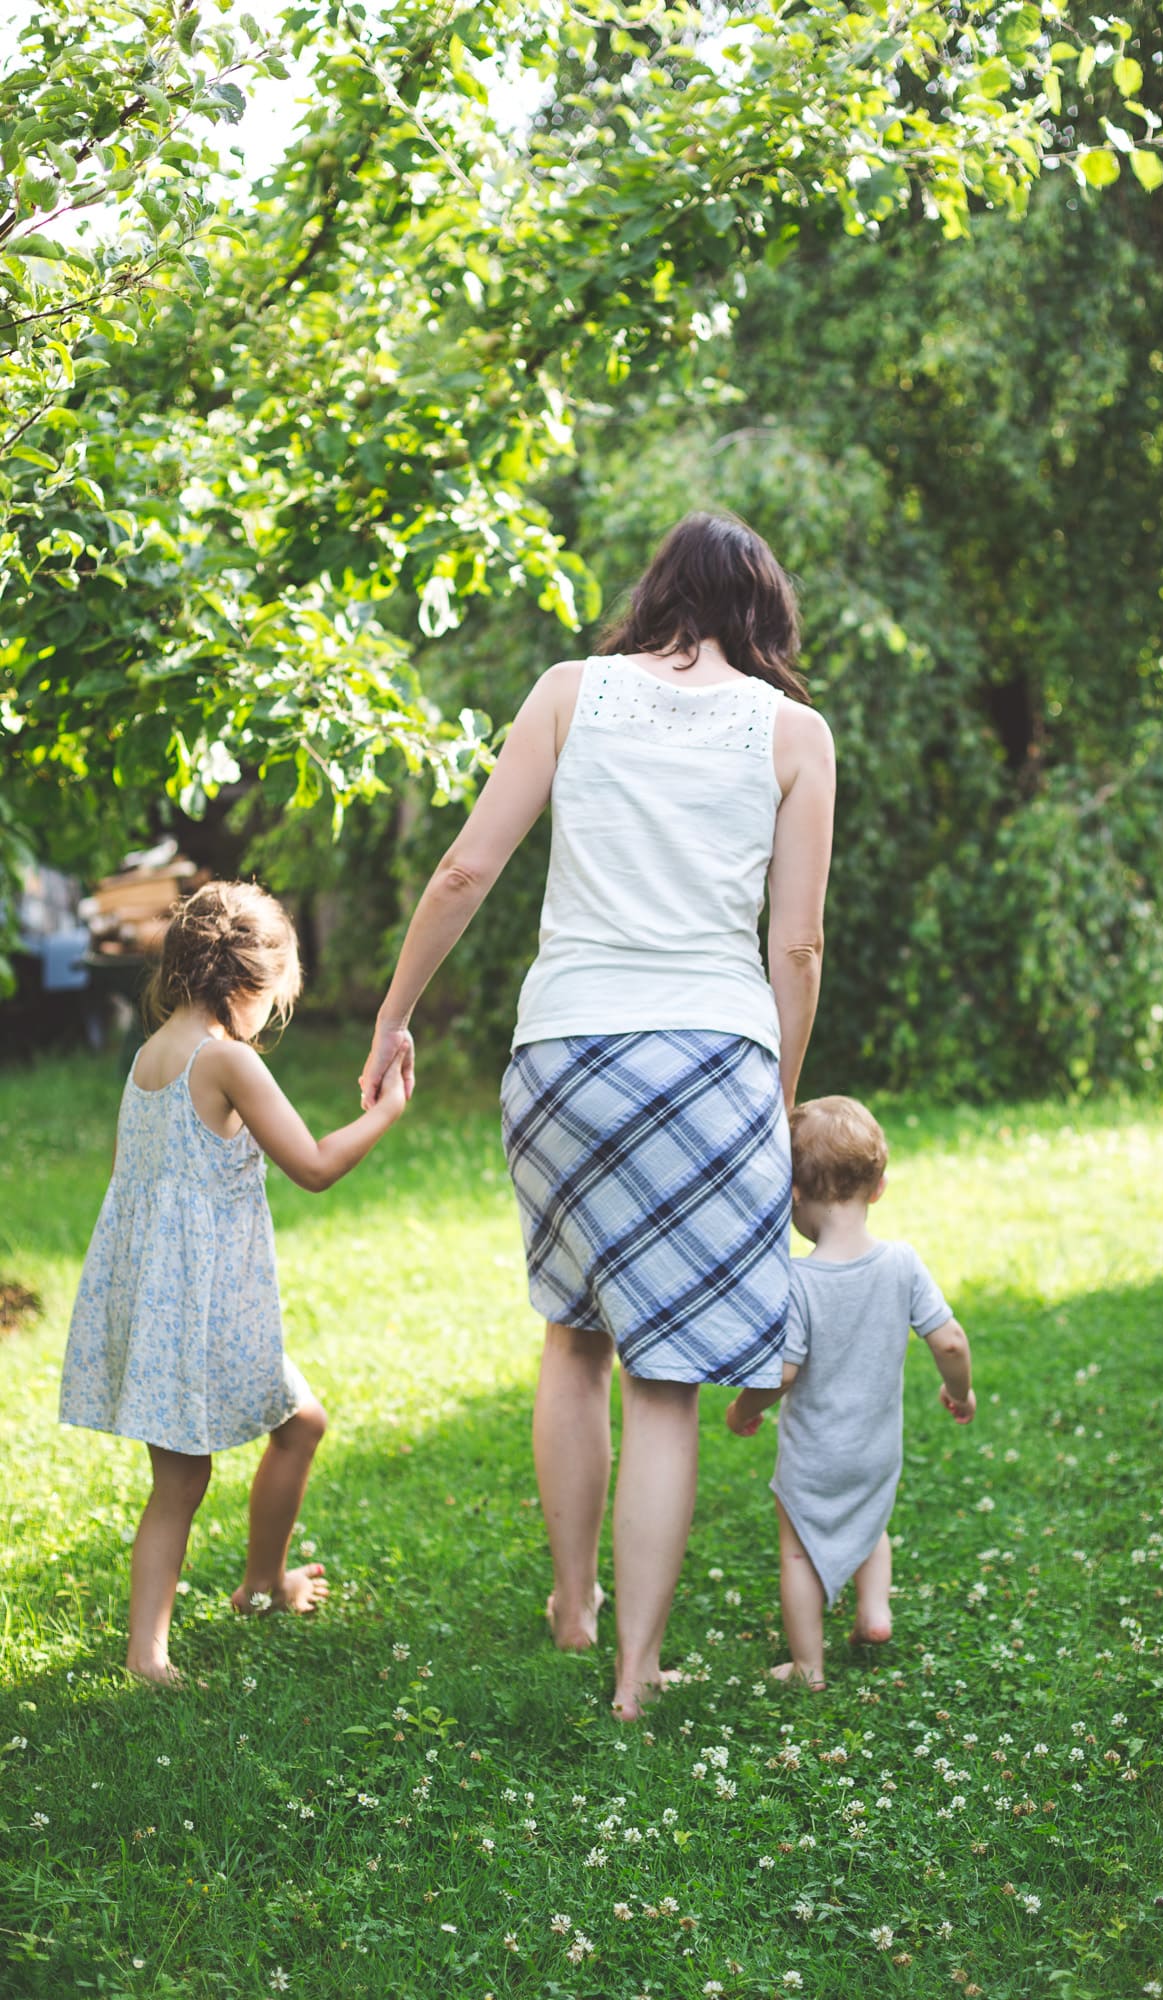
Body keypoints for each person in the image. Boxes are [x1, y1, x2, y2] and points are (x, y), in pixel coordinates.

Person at [359, 510, 836, 1717]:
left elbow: (466, 866)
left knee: (576, 1333)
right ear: (764, 615)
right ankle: (635, 1670)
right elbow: (798, 943)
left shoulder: (572, 691)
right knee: (666, 1377)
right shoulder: (794, 733)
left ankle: (573, 1607)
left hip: (565, 1053)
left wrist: (392, 1012)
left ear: (655, 594)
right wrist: (770, 1103)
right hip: (711, 1057)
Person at [60, 881, 409, 1686]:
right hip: (205, 1309)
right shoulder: (226, 1059)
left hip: (165, 1305)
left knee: (285, 1429)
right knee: (189, 1478)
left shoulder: (150, 1055)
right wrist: (385, 1112)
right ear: (249, 982)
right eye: (275, 995)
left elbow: (134, 1181)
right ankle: (151, 1654)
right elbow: (314, 1166)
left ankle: (262, 1585)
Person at [725, 1095, 975, 1690]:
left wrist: (741, 1410)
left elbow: (783, 1374)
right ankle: (874, 1612)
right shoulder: (903, 1263)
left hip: (815, 1456)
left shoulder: (797, 1281)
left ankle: (808, 1667)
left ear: (793, 1195)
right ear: (879, 1186)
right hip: (876, 1449)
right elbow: (951, 1343)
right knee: (871, 1518)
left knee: (797, 1550)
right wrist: (959, 1393)